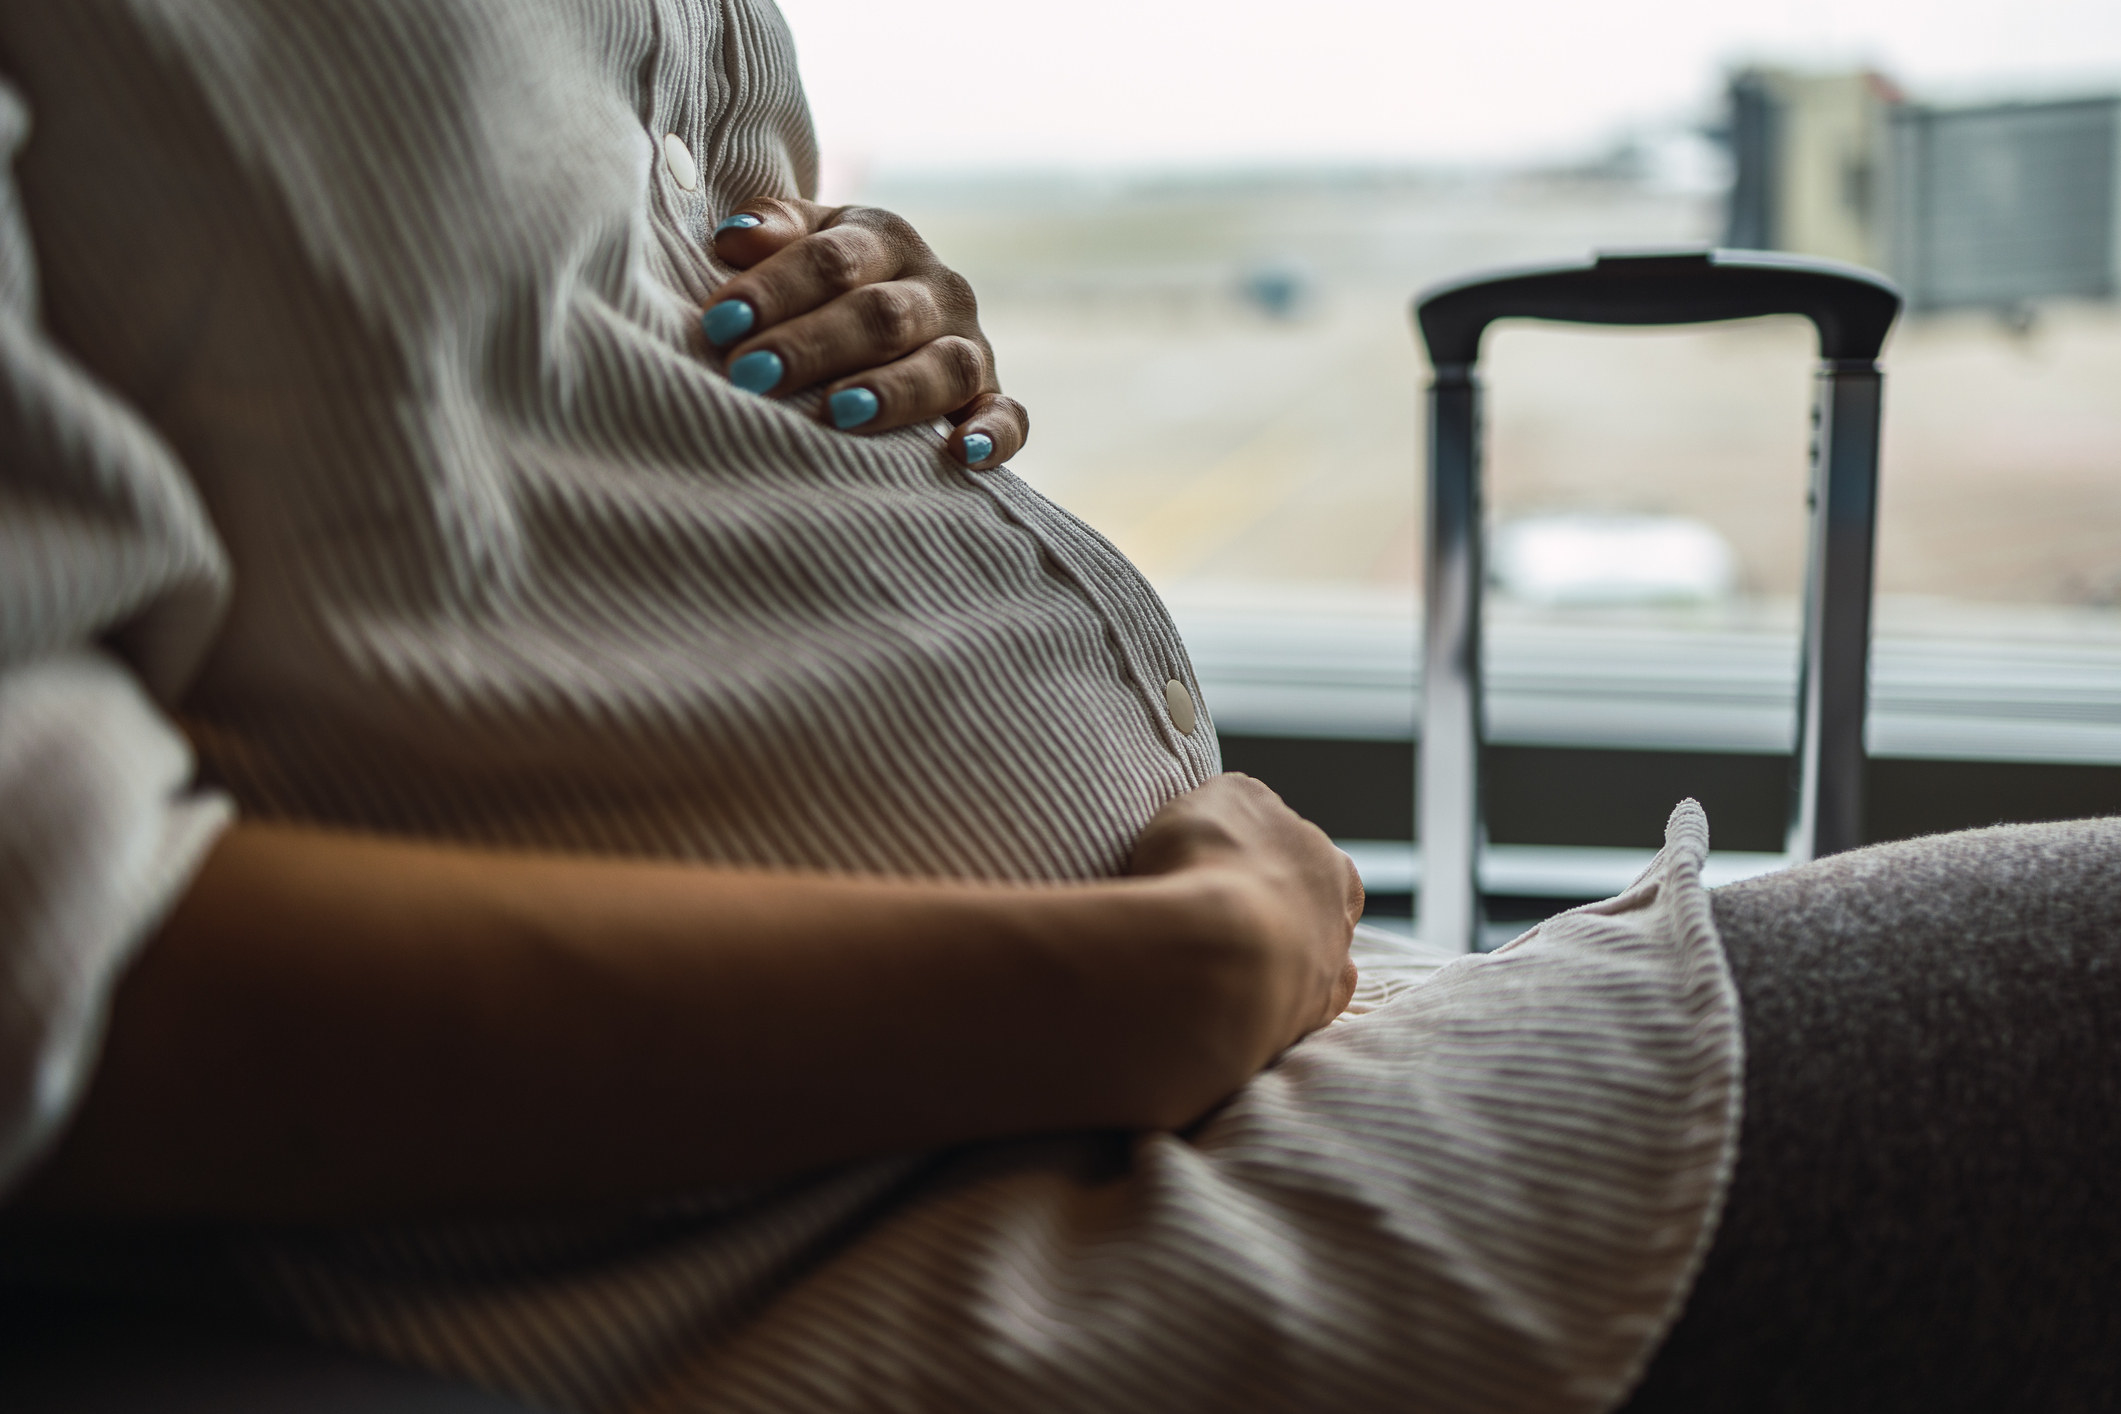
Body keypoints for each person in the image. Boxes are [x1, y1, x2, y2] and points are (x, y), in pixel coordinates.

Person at [0, 4, 2114, 1412]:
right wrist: (1137, 983)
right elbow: (64, 977)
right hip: (814, 1242)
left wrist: (823, 303)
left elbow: (487, 383)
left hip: (1145, 1082)